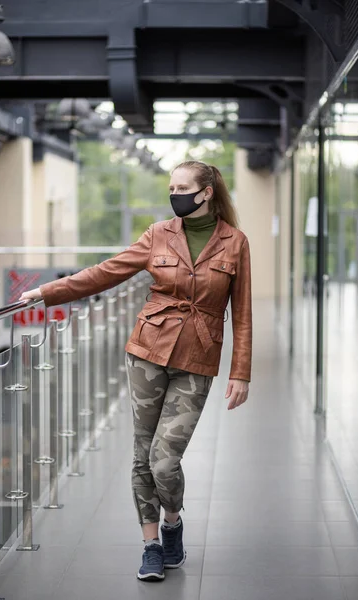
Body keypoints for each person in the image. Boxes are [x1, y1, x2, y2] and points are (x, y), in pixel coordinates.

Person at [19, 160, 252, 582]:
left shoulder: (235, 243)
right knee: (142, 455)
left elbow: (245, 314)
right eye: (171, 186)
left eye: (183, 187)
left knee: (165, 462)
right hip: (147, 351)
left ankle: (173, 522)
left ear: (206, 193)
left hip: (197, 358)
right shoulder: (158, 234)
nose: (174, 193)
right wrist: (47, 292)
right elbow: (106, 272)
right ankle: (150, 545)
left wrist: (241, 372)